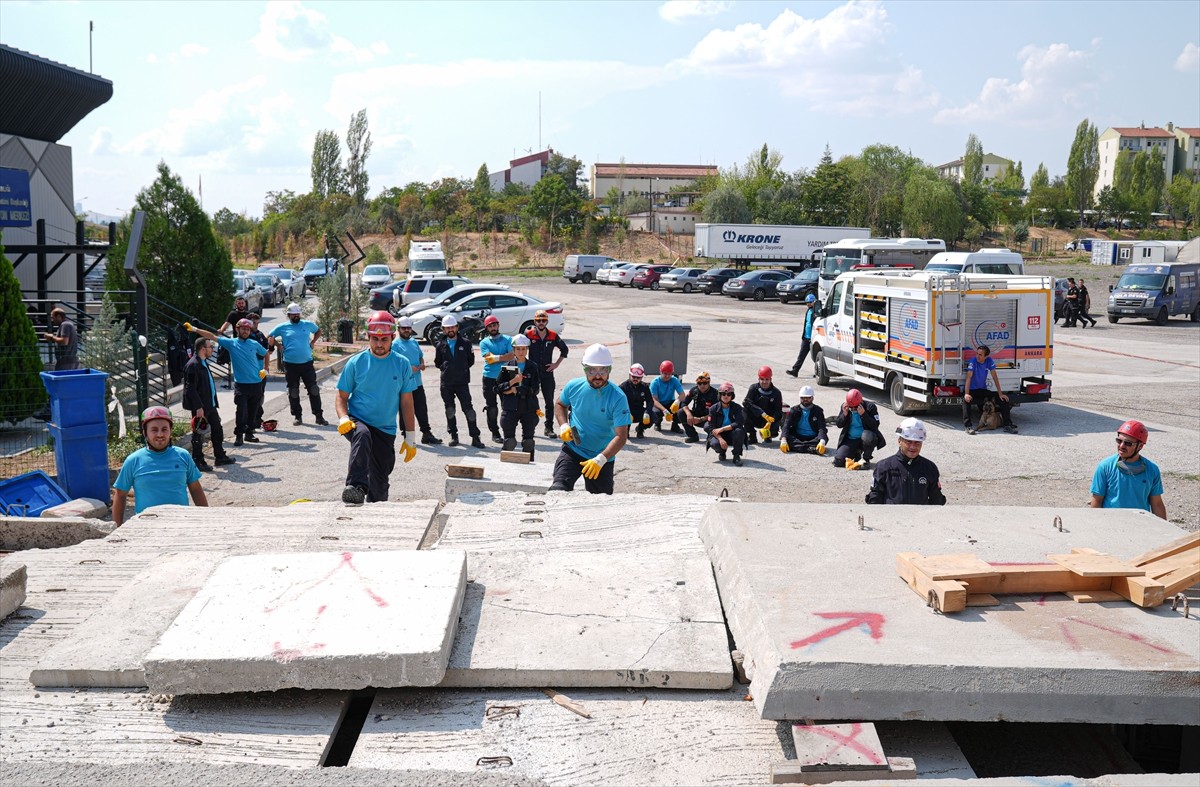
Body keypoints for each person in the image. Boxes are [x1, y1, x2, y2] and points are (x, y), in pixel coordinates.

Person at [335, 311, 418, 505]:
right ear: (368, 337)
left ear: (392, 338)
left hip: (385, 429)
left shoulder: (402, 364)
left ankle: (375, 506)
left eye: (384, 339)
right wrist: (343, 418)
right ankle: (356, 487)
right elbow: (341, 397)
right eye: (375, 339)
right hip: (358, 421)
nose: (379, 344)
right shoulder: (356, 363)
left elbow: (407, 402)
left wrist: (411, 436)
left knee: (380, 485)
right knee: (362, 436)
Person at [548, 343, 631, 495]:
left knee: (600, 504)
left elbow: (621, 436)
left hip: (601, 457)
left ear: (609, 370)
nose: (598, 375)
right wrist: (564, 426)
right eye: (592, 370)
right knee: (558, 490)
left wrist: (600, 459)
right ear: (585, 369)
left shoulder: (618, 397)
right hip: (573, 449)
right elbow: (560, 404)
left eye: (603, 370)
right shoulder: (574, 386)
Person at [112, 406, 208, 525]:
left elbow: (196, 489)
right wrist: (117, 528)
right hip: (146, 528)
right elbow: (120, 495)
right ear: (144, 432)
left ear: (170, 431)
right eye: (154, 430)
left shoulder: (183, 456)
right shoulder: (133, 461)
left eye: (164, 429)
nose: (160, 434)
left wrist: (206, 520)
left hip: (181, 525)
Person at [186, 319, 268, 446]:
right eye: (243, 329)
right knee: (241, 410)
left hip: (257, 383)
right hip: (241, 385)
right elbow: (212, 336)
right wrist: (195, 330)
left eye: (247, 329)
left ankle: (249, 433)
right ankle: (239, 434)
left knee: (254, 410)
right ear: (237, 329)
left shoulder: (254, 343)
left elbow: (265, 353)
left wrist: (265, 369)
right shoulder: (231, 343)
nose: (245, 331)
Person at [1090, 419, 1166, 519]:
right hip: (1112, 524)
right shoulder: (1105, 466)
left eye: (1128, 443)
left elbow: (1156, 504)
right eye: (1119, 441)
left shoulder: (1152, 470)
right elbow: (1097, 500)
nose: (1121, 446)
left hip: (1141, 525)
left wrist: (1163, 530)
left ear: (1140, 446)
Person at [268, 303, 329, 427]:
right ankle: (297, 416)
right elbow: (269, 336)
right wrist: (278, 345)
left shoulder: (307, 324)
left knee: (314, 390)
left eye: (297, 314)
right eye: (293, 314)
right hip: (290, 364)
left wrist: (313, 341)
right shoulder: (282, 327)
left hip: (307, 363)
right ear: (289, 315)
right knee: (293, 391)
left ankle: (319, 416)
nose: (296, 316)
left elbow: (318, 331)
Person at [865, 418, 946, 505]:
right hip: (892, 517)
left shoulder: (929, 468)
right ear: (899, 441)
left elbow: (936, 500)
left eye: (917, 443)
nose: (913, 447)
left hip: (920, 518)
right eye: (909, 442)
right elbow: (875, 500)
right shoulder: (883, 467)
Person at [181, 337, 235, 470]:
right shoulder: (193, 365)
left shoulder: (203, 362)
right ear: (203, 349)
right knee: (199, 433)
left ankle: (220, 456)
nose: (213, 349)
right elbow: (190, 388)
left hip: (209, 404)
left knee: (217, 429)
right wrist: (198, 407)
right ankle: (198, 461)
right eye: (210, 347)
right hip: (201, 407)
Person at [434, 314, 485, 448]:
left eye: (452, 327)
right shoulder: (440, 345)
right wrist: (448, 369)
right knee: (450, 410)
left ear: (457, 327)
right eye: (447, 328)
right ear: (443, 329)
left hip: (462, 382)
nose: (450, 330)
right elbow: (438, 363)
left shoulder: (466, 343)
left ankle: (475, 437)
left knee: (469, 410)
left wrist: (460, 369)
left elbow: (471, 360)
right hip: (446, 383)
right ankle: (454, 436)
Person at [391, 316, 442, 445]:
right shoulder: (395, 345)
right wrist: (408, 369)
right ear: (398, 329)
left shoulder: (414, 342)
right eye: (404, 328)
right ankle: (406, 436)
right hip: (404, 385)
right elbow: (393, 365)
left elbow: (420, 356)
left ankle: (426, 434)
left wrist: (422, 363)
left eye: (409, 328)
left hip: (417, 383)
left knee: (421, 409)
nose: (407, 330)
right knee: (405, 410)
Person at [496, 333, 542, 456]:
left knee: (528, 442)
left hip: (528, 407)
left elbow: (536, 389)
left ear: (527, 350)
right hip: (511, 407)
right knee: (509, 442)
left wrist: (518, 390)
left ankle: (529, 469)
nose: (521, 352)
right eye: (518, 349)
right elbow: (497, 388)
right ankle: (506, 469)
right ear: (514, 350)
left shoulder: (532, 366)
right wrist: (512, 383)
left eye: (523, 349)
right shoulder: (507, 367)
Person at [525, 310, 569, 437]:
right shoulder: (529, 334)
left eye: (543, 320)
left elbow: (564, 350)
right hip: (532, 374)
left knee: (549, 402)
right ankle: (530, 426)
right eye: (538, 320)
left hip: (547, 373)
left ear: (547, 321)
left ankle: (548, 427)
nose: (541, 323)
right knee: (529, 399)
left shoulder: (553, 335)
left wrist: (556, 364)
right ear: (535, 321)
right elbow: (519, 347)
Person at [962, 345, 1017, 435]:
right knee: (966, 401)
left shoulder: (989, 361)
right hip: (973, 390)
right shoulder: (973, 361)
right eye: (977, 353)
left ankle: (1007, 425)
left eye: (980, 355)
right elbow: (968, 377)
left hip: (983, 390)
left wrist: (1000, 394)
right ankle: (968, 426)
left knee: (1003, 400)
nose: (977, 356)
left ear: (986, 356)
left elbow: (994, 377)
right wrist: (966, 394)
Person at [479, 315, 515, 444]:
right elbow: (489, 358)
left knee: (507, 407)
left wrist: (496, 358)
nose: (493, 328)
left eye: (494, 325)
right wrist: (504, 357)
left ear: (498, 325)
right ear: (487, 328)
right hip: (489, 378)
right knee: (492, 407)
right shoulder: (484, 342)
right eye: (490, 326)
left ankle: (508, 433)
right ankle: (495, 432)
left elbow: (512, 356)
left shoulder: (508, 339)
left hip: (506, 377)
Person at [833, 388, 884, 469]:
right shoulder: (845, 406)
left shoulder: (870, 407)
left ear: (860, 402)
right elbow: (839, 424)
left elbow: (875, 425)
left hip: (865, 438)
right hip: (850, 439)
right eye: (851, 407)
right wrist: (844, 415)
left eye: (855, 407)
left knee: (868, 436)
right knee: (838, 461)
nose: (853, 409)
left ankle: (866, 459)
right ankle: (856, 452)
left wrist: (864, 414)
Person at [706, 381, 748, 465]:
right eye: (723, 394)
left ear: (732, 396)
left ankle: (736, 455)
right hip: (718, 434)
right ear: (719, 395)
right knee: (715, 444)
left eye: (729, 394)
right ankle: (722, 452)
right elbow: (711, 428)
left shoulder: (737, 408)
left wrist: (722, 428)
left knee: (739, 431)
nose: (726, 396)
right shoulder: (713, 409)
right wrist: (720, 439)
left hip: (731, 433)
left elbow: (739, 423)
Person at [780, 386, 828, 455]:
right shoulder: (793, 410)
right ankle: (810, 449)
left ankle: (799, 447)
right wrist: (783, 440)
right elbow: (786, 425)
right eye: (803, 398)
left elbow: (822, 427)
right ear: (800, 398)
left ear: (812, 398)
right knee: (788, 438)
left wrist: (822, 441)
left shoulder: (818, 411)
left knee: (824, 438)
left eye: (808, 398)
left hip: (813, 437)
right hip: (798, 436)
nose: (805, 399)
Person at [744, 366, 783, 444]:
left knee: (783, 412)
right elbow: (746, 402)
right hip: (756, 417)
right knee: (743, 411)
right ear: (758, 379)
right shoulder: (753, 388)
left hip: (769, 420)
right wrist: (762, 413)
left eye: (767, 379)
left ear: (770, 379)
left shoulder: (776, 393)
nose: (764, 382)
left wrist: (771, 421)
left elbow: (778, 411)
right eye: (762, 379)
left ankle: (768, 435)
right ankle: (752, 435)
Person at [681, 371, 719, 444]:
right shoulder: (694, 390)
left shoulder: (715, 394)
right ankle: (693, 436)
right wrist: (689, 414)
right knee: (681, 412)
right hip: (695, 417)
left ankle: (711, 437)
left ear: (709, 383)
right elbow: (684, 403)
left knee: (708, 426)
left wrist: (701, 419)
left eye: (705, 383)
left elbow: (716, 412)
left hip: (708, 418)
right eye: (699, 383)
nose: (702, 385)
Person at [785, 293, 818, 377]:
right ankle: (795, 370)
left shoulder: (816, 312)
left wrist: (813, 337)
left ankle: (818, 372)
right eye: (807, 303)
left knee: (816, 357)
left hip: (812, 338)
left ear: (813, 302)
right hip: (805, 338)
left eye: (809, 302)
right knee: (801, 355)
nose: (807, 304)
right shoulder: (808, 311)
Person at [648, 360, 685, 434]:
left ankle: (675, 425)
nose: (667, 376)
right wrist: (664, 410)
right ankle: (657, 423)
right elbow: (654, 400)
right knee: (655, 412)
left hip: (670, 402)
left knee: (682, 409)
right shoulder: (654, 383)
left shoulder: (674, 380)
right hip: (659, 403)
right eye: (665, 373)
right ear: (660, 372)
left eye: (669, 374)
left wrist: (677, 402)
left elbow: (682, 394)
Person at [619, 363, 653, 439]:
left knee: (653, 416)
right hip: (627, 410)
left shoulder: (645, 387)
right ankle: (626, 430)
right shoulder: (623, 387)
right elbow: (617, 403)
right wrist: (626, 411)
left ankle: (640, 429)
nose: (635, 379)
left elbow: (650, 401)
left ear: (641, 377)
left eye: (638, 377)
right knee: (621, 416)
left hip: (639, 410)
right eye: (633, 377)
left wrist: (647, 412)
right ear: (629, 375)